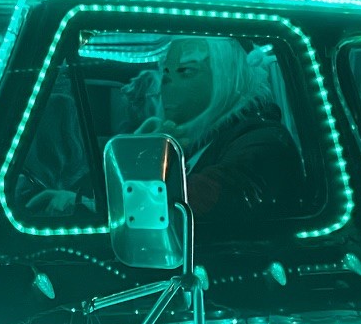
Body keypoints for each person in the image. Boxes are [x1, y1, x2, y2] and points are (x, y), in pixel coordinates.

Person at [28, 37, 304, 233]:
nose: (166, 82)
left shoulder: (264, 141)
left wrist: (84, 205)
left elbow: (203, 202)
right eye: (167, 72)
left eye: (186, 71)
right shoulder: (194, 139)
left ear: (228, 78)